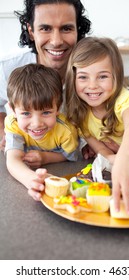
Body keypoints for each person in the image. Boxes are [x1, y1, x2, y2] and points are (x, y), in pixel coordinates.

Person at [65, 36, 129, 214]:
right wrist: (113, 159)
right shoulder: (80, 113)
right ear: (73, 78)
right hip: (115, 167)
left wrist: (124, 158)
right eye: (83, 77)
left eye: (102, 76)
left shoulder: (123, 99)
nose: (92, 86)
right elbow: (102, 151)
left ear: (116, 76)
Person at [0, 0, 91, 151]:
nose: (56, 41)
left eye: (66, 28)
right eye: (45, 28)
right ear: (31, 31)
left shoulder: (93, 69)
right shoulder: (6, 68)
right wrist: (3, 128)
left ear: (77, 30)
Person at [5, 63, 79, 201]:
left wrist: (45, 157)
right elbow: (13, 159)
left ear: (58, 108)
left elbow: (71, 157)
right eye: (26, 113)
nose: (37, 123)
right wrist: (31, 179)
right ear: (13, 110)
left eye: (46, 112)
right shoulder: (13, 125)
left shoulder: (66, 131)